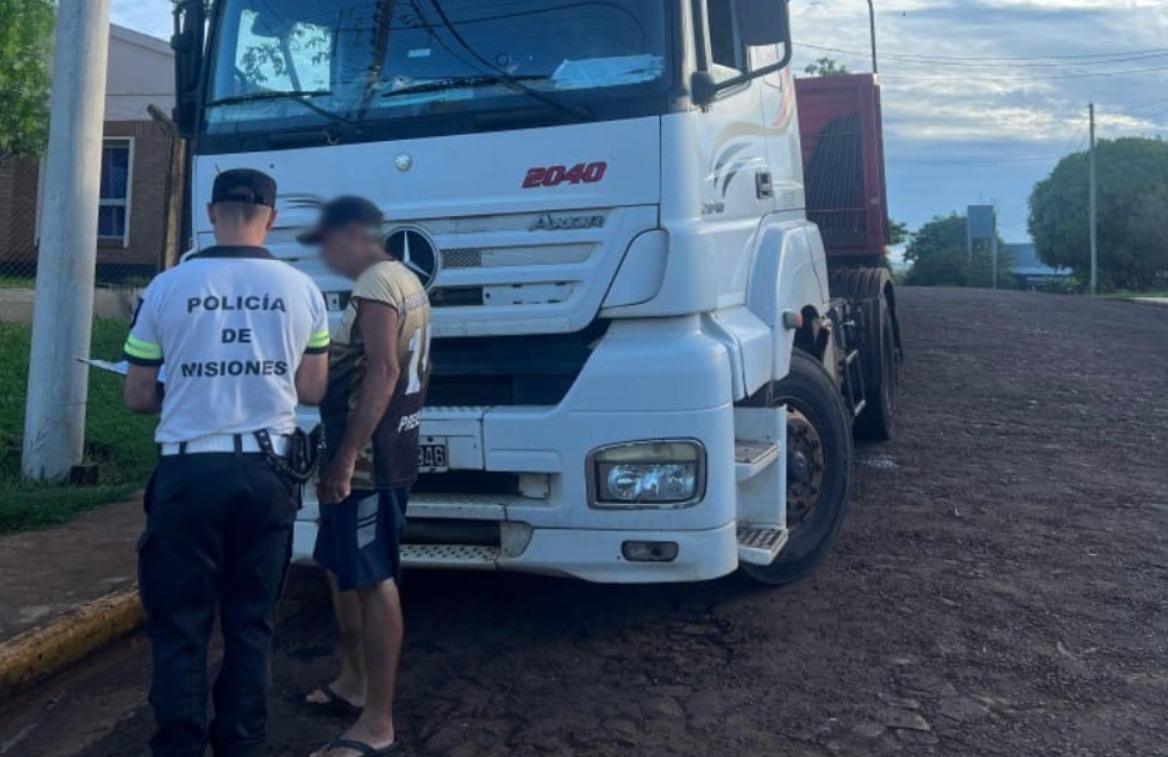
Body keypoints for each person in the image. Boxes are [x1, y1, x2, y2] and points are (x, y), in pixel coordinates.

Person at [123, 169, 331, 757]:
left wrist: (191, 391)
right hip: (269, 475)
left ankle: (180, 747)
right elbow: (313, 389)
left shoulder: (167, 286)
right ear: (273, 216)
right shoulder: (302, 290)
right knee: (250, 622)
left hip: (189, 476)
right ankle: (243, 743)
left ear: (212, 214)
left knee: (181, 626)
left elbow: (138, 394)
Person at [298, 197, 432, 757]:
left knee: (374, 578)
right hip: (380, 451)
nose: (327, 258)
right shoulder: (405, 279)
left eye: (327, 245)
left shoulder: (377, 284)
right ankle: (353, 682)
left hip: (372, 464)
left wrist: (348, 457)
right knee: (340, 565)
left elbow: (384, 371)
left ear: (353, 234)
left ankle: (377, 723)